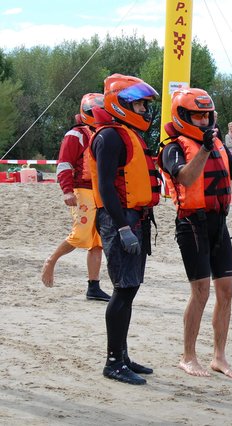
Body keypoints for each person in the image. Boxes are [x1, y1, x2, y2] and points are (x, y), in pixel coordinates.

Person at [159, 88, 232, 379]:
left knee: (226, 290)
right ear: (183, 116)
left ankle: (219, 357)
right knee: (200, 292)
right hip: (191, 225)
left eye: (206, 116)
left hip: (218, 223)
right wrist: (203, 148)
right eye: (197, 116)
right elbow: (186, 179)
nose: (203, 121)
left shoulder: (219, 146)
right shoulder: (172, 148)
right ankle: (188, 356)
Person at [88, 73, 161, 385]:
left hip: (135, 218)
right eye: (141, 105)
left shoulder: (126, 134)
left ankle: (123, 355)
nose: (145, 110)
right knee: (123, 289)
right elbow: (105, 187)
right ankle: (113, 362)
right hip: (119, 220)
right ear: (122, 104)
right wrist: (121, 227)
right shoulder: (109, 137)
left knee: (130, 289)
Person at [41, 93, 110, 302]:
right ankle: (51, 260)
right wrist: (67, 190)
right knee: (80, 234)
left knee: (97, 241)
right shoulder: (76, 135)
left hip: (100, 192)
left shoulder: (104, 133)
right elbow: (64, 163)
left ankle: (93, 286)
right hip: (82, 190)